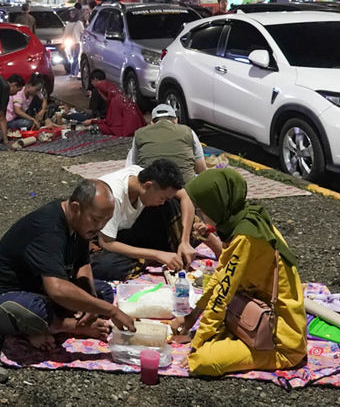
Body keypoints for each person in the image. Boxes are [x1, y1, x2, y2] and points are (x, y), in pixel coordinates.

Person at [169, 169, 307, 377]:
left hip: (281, 341)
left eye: (203, 209)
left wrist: (197, 343)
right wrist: (192, 317)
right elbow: (221, 274)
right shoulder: (247, 218)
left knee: (201, 362)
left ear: (218, 204)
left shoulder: (245, 236)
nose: (203, 216)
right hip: (257, 316)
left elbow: (222, 294)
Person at [0, 179, 136, 347]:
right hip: (4, 296)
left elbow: (83, 264)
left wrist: (92, 300)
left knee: (102, 292)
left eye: (106, 220)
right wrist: (109, 310)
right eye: (96, 220)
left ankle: (49, 326)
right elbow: (58, 290)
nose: (101, 226)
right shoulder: (48, 229)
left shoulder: (80, 223)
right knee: (34, 311)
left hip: (41, 287)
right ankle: (69, 326)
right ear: (76, 208)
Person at [90, 159, 215, 280]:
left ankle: (186, 247)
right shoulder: (114, 196)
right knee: (105, 264)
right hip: (104, 239)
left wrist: (185, 241)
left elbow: (185, 197)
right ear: (148, 186)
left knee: (172, 204)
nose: (162, 202)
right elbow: (106, 243)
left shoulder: (142, 177)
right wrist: (156, 254)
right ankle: (154, 255)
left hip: (130, 230)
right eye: (161, 197)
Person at [127, 103, 207, 184]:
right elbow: (201, 169)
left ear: (152, 123)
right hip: (186, 188)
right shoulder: (188, 132)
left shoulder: (140, 134)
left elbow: (132, 168)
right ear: (176, 120)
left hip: (151, 191)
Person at [90, 70, 146, 137]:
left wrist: (93, 121)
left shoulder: (114, 101)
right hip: (138, 128)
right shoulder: (121, 96)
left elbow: (112, 123)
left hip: (127, 131)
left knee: (98, 128)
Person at [62, 8, 85, 76]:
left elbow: (82, 33)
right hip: (72, 42)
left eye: (73, 14)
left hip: (76, 42)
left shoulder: (78, 23)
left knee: (75, 57)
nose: (72, 15)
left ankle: (74, 72)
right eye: (71, 14)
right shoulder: (70, 23)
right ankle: (74, 72)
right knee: (72, 57)